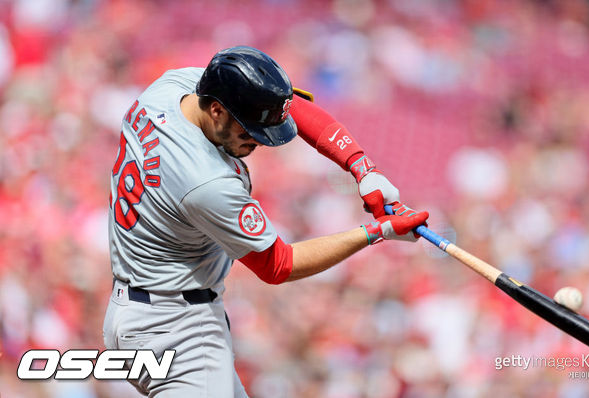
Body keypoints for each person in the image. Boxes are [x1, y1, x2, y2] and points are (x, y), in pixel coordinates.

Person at [103, 46, 428, 397]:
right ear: (217, 111)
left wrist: (361, 167)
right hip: (175, 327)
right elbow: (278, 265)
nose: (259, 142)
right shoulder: (206, 183)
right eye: (250, 132)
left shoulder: (169, 90)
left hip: (143, 309)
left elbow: (290, 105)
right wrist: (376, 232)